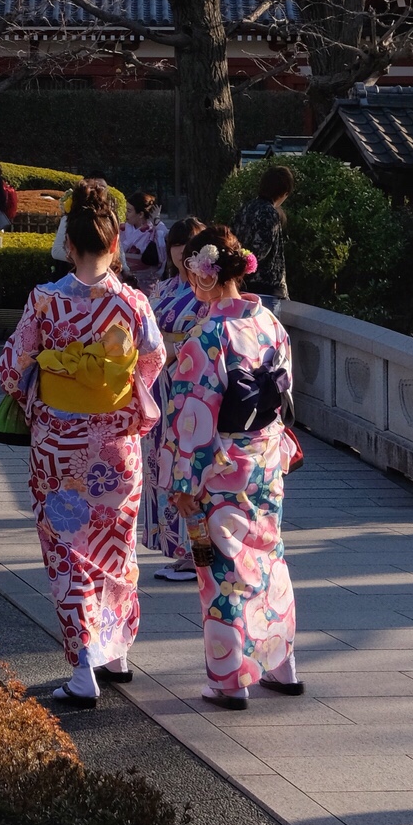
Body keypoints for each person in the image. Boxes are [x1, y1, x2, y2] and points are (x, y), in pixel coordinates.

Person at [0, 178, 164, 708]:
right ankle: (115, 653)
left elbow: (11, 368)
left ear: (68, 244)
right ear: (115, 245)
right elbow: (154, 359)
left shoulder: (45, 302)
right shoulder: (134, 303)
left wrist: (44, 392)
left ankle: (86, 664)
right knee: (114, 548)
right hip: (116, 446)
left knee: (69, 549)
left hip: (60, 449)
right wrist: (118, 395)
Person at [164, 225, 302, 710]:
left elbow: (191, 415)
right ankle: (281, 664)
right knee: (268, 558)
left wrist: (183, 482)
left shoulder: (208, 335)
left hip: (220, 471)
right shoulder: (270, 324)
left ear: (203, 276)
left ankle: (229, 680)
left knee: (220, 569)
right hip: (265, 464)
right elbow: (282, 397)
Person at [139, 216, 209, 583]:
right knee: (161, 468)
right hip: (160, 388)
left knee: (188, 470)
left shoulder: (206, 295)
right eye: (177, 253)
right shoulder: (164, 288)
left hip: (191, 391)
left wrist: (171, 345)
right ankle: (179, 551)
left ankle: (197, 554)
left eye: (189, 254)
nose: (183, 261)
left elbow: (204, 339)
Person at [233, 165, 293, 303]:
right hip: (265, 288)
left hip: (242, 284)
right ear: (284, 192)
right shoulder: (269, 212)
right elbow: (260, 250)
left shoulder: (246, 208)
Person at [120, 192, 167, 294]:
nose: (126, 214)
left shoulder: (155, 230)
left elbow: (164, 245)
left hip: (147, 283)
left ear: (140, 214)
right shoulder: (122, 229)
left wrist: (157, 222)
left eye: (129, 211)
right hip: (124, 281)